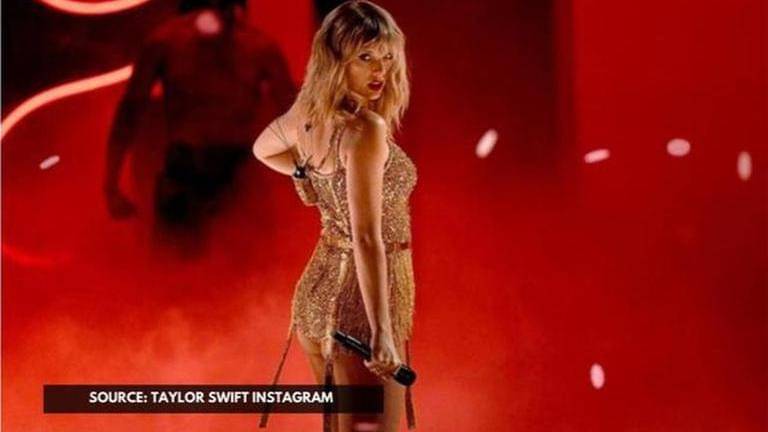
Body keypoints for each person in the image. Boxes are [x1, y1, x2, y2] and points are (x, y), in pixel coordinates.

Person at [252, 1, 417, 431]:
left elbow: (263, 148)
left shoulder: (309, 116)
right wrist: (381, 331)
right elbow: (367, 237)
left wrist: (306, 173)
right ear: (336, 59)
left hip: (320, 292)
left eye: (386, 57)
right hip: (357, 302)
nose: (380, 70)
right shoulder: (364, 130)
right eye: (365, 57)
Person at [104, 0, 295, 248]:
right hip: (187, 173)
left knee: (250, 263)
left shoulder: (259, 47)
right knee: (177, 266)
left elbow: (293, 118)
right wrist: (111, 184)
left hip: (239, 176)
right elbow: (130, 112)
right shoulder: (166, 42)